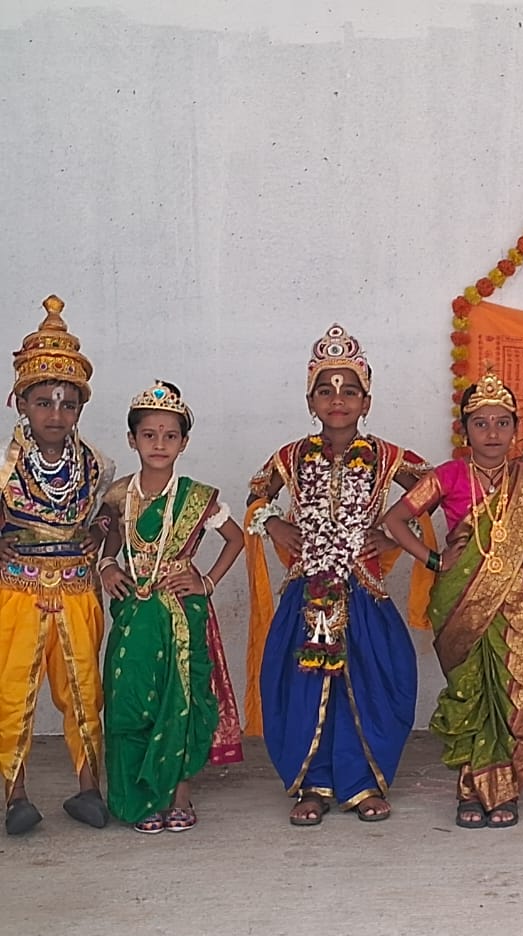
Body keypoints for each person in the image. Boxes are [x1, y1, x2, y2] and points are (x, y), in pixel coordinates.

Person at [244, 325, 434, 826]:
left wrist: (394, 536)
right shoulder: (289, 456)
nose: (338, 400)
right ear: (310, 398)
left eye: (350, 390)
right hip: (307, 592)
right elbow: (255, 496)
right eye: (325, 390)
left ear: (366, 400)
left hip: (363, 592)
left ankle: (363, 783)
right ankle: (313, 784)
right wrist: (276, 522)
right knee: (302, 686)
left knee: (370, 685)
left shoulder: (389, 456)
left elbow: (430, 492)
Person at [383, 367, 523, 828]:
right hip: (461, 602)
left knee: (513, 694)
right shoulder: (447, 476)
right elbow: (395, 521)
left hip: (516, 604)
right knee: (470, 692)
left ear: (515, 428)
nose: (492, 433)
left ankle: (505, 789)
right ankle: (470, 789)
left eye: (502, 423)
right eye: (481, 423)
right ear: (465, 429)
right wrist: (434, 561)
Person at [97, 382, 245, 832]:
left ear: (183, 442)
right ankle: (141, 797)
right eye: (149, 435)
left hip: (181, 616)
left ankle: (180, 794)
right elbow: (110, 539)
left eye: (169, 435)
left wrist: (206, 581)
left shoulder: (198, 497)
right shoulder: (120, 493)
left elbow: (236, 539)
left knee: (180, 701)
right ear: (132, 439)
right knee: (132, 699)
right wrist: (106, 565)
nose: (159, 444)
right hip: (135, 615)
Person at [1, 296, 114, 836]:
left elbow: (109, 519)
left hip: (76, 589)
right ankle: (16, 795)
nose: (55, 414)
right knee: (12, 691)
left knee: (84, 689)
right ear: (20, 403)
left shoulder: (97, 466)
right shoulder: (3, 468)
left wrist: (102, 532)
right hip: (17, 591)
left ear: (80, 410)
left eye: (67, 404)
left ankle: (88, 789)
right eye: (43, 402)